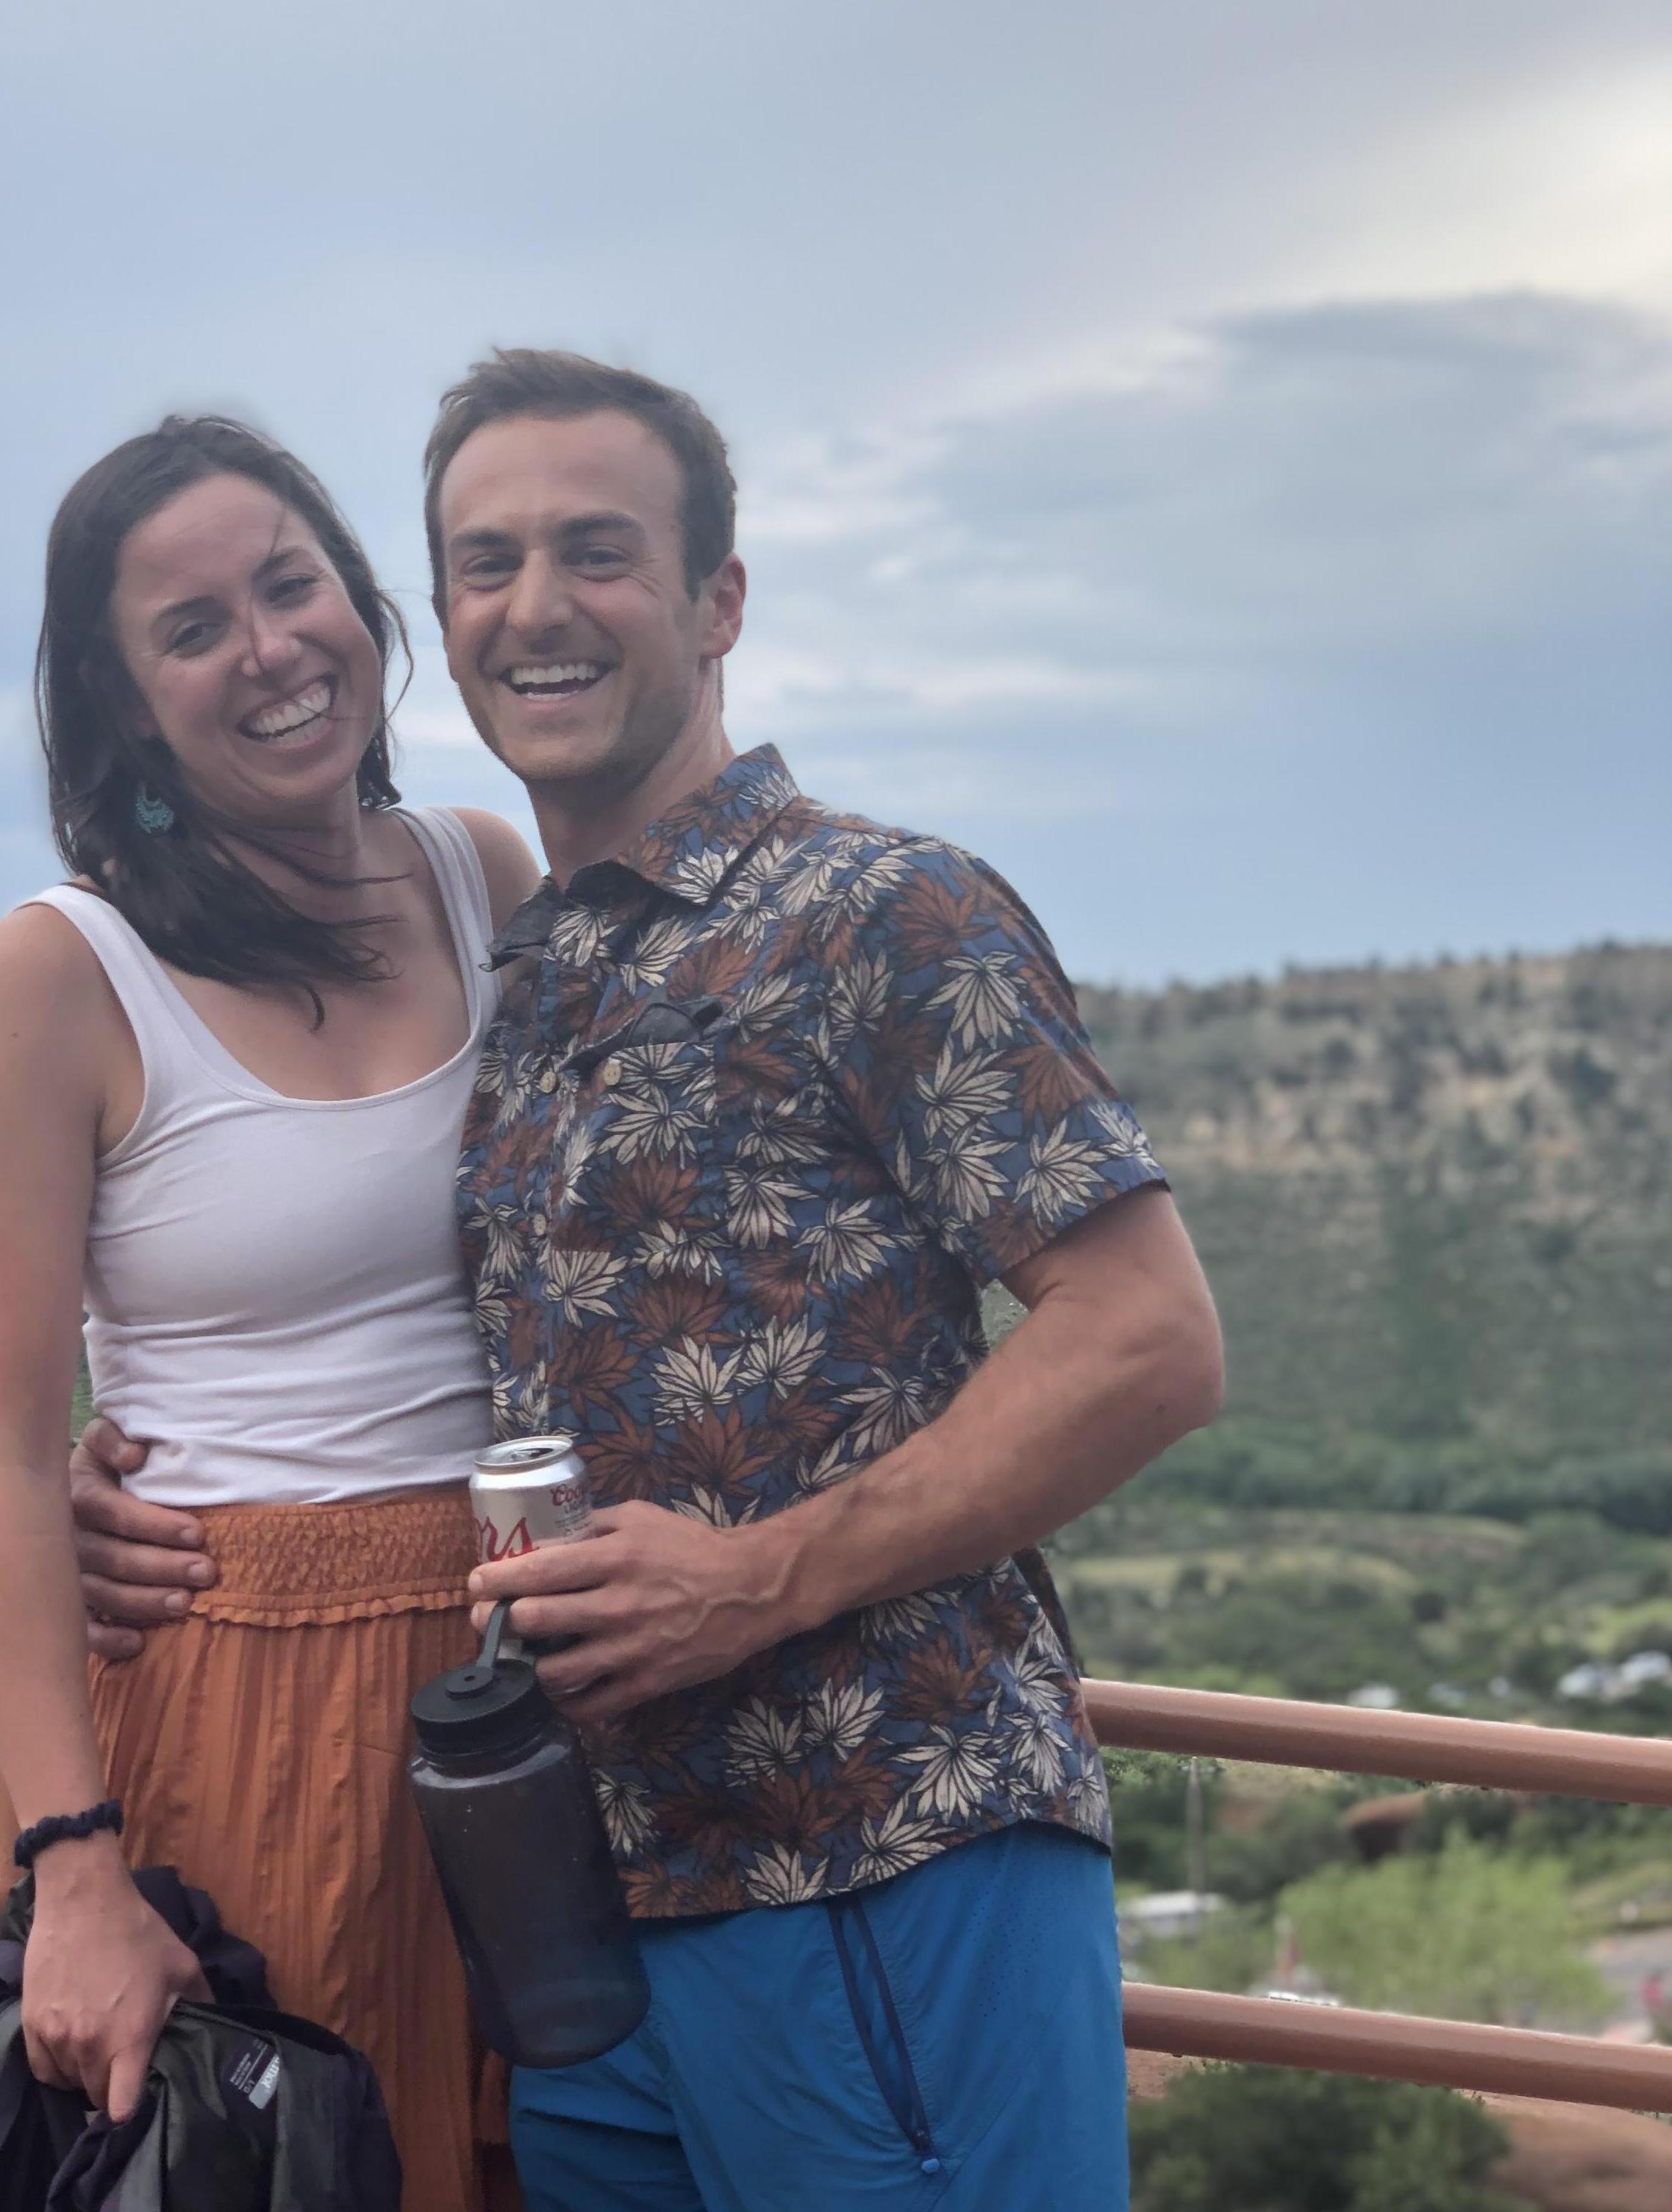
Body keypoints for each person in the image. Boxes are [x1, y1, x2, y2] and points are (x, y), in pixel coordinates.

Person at [73, 352, 1226, 2211]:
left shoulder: (879, 912)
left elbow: (1150, 1338)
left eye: (596, 552)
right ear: (442, 620)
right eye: (486, 561)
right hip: (593, 1935)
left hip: (881, 1850)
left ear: (717, 601)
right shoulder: (527, 968)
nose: (535, 605)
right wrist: (137, 1464)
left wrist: (764, 1575)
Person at [0, 413, 537, 2212]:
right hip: (240, 1685)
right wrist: (72, 1869)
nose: (270, 650)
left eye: (291, 585)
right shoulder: (57, 976)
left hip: (528, 1673)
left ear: (360, 599)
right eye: (192, 629)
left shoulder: (484, 876)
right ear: (120, 704)